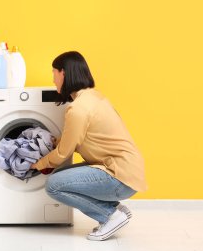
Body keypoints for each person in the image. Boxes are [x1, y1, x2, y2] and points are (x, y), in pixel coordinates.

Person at [30, 51, 147, 241]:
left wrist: (38, 164)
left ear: (64, 73)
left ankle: (109, 215)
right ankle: (114, 209)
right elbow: (78, 139)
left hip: (119, 176)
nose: (53, 79)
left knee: (53, 185)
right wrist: (56, 141)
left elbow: (62, 154)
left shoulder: (77, 109)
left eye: (54, 73)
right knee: (61, 176)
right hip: (125, 169)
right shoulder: (92, 98)